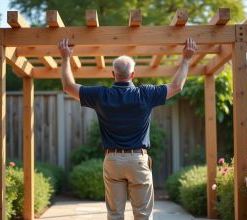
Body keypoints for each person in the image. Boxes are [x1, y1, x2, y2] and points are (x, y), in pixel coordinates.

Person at [57, 38, 196, 220]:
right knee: (143, 216)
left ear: (113, 73)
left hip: (112, 160)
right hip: (138, 160)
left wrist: (66, 58)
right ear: (132, 75)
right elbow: (177, 86)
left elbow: (67, 86)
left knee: (115, 215)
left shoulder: (100, 95)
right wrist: (186, 59)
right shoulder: (145, 94)